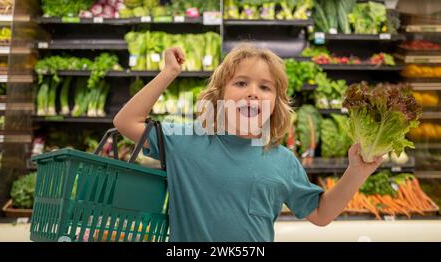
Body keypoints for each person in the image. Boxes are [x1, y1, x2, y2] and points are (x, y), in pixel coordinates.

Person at [113, 44, 383, 242]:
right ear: (219, 96)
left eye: (265, 87)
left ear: (275, 105)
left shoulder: (283, 161)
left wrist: (356, 172)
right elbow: (126, 121)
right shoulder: (185, 141)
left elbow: (321, 214)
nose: (253, 93)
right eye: (241, 83)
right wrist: (169, 72)